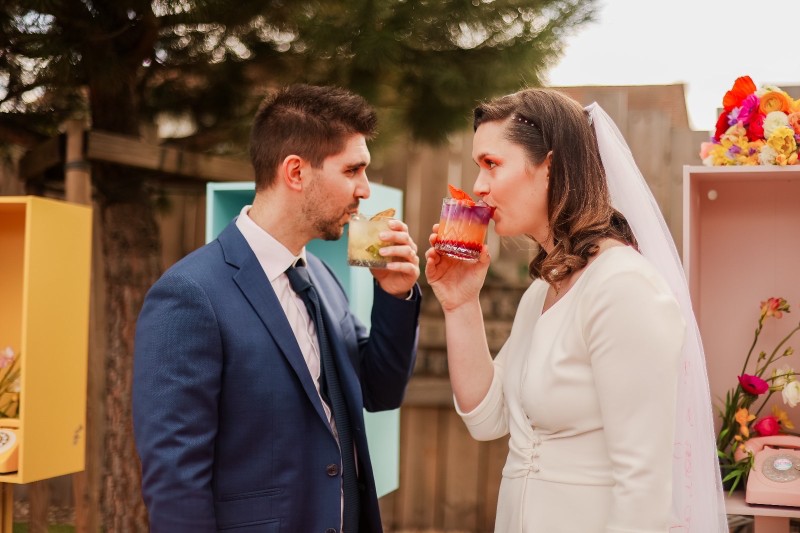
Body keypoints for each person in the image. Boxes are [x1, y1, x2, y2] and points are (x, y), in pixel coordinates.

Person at [424, 88, 727, 532]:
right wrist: (460, 302)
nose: (478, 187)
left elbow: (643, 488)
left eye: (492, 164)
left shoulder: (623, 287)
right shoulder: (541, 294)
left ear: (550, 165)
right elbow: (487, 420)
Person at [133, 83, 422, 533]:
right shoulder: (189, 294)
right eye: (353, 170)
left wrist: (396, 294)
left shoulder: (321, 279)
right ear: (295, 171)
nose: (365, 190)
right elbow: (175, 479)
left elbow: (379, 390)